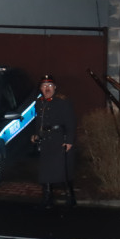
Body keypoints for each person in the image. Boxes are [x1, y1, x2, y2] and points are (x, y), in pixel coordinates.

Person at [31, 74, 76, 209]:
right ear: (40, 88)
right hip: (45, 140)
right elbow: (39, 121)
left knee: (62, 170)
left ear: (55, 87)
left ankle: (70, 197)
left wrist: (69, 140)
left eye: (50, 86)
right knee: (45, 171)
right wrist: (35, 134)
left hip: (58, 138)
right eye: (44, 86)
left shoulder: (62, 102)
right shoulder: (39, 102)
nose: (47, 88)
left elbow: (70, 122)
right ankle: (47, 198)